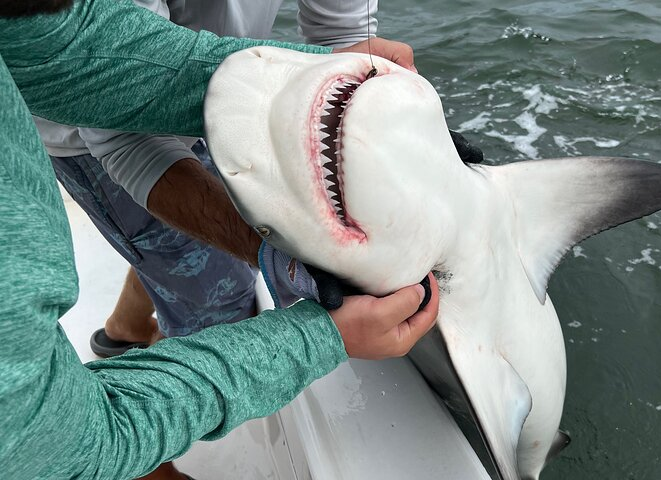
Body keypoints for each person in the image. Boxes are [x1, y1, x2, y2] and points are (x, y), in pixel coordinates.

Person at [0, 1, 438, 479]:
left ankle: (124, 331)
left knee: (179, 254)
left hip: (186, 74)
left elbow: (72, 45)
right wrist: (321, 334)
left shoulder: (28, 19)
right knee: (219, 300)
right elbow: (67, 449)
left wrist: (330, 86)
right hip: (90, 144)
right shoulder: (17, 244)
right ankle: (155, 472)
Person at [39, 0, 390, 359]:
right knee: (224, 314)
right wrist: (272, 257)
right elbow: (123, 138)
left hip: (222, 88)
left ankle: (125, 328)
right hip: (88, 129)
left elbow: (343, 37)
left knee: (176, 241)